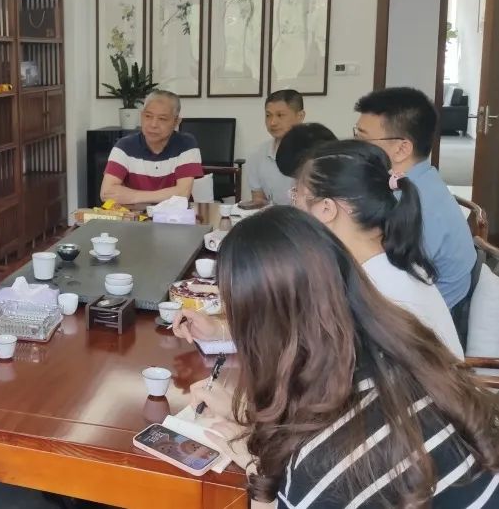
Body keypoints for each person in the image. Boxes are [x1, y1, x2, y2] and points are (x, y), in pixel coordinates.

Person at [175, 207, 499, 507]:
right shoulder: (408, 353)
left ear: (257, 334)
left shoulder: (317, 472)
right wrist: (252, 419)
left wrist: (257, 467)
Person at [291, 140, 462, 356]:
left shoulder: (374, 289)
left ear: (327, 209)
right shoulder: (387, 262)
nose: (294, 209)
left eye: (296, 197)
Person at [354, 87, 475, 310]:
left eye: (362, 139)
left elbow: (387, 289)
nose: (355, 147)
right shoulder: (419, 179)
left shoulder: (417, 207)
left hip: (429, 319)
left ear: (402, 149)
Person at [100, 90, 203, 205]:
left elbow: (182, 193)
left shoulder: (186, 144)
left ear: (176, 122)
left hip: (175, 214)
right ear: (141, 116)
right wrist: (167, 195)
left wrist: (133, 196)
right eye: (148, 116)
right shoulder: (124, 146)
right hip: (135, 215)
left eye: (162, 119)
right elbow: (106, 193)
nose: (153, 125)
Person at [243, 89, 305, 207]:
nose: (272, 122)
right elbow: (259, 202)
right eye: (268, 115)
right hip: (273, 217)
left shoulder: (316, 154)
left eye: (280, 115)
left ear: (300, 116)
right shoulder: (256, 155)